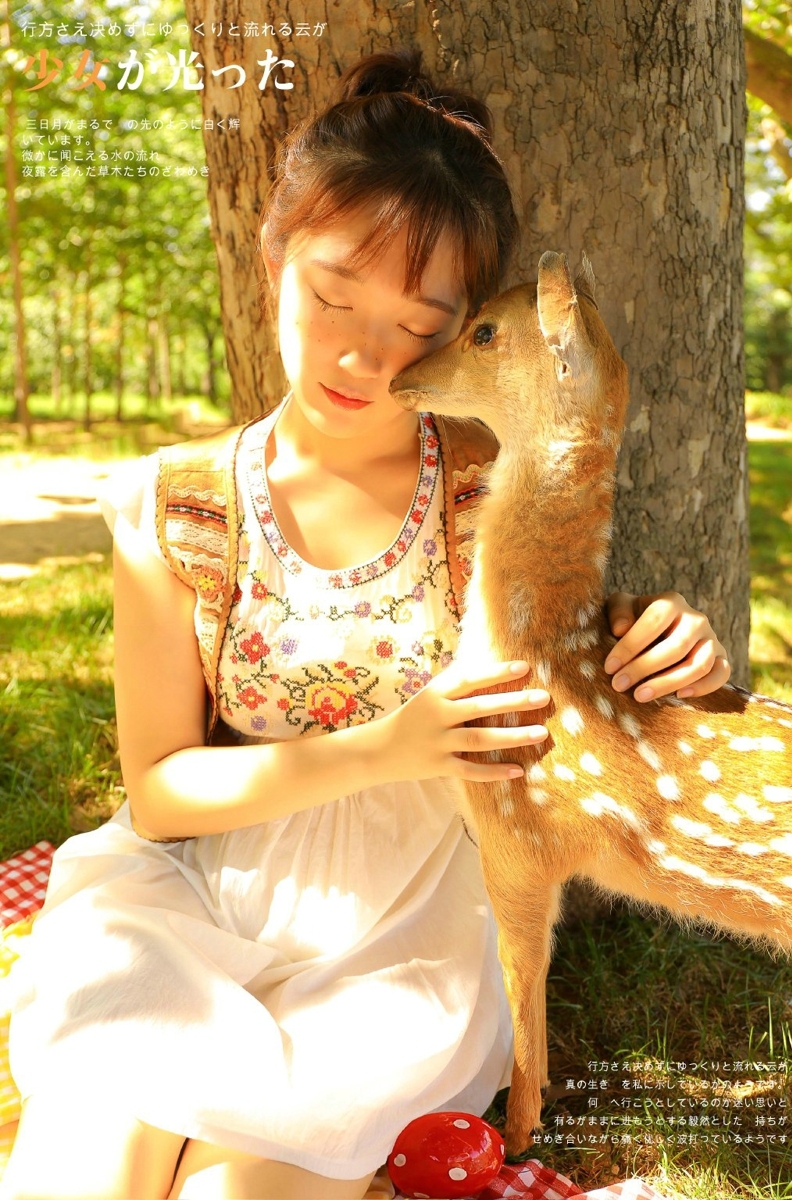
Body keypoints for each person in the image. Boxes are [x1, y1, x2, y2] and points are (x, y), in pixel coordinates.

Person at [2, 47, 731, 1200]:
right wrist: (382, 747)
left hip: (402, 940)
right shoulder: (175, 504)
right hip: (189, 898)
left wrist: (669, 658)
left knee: (245, 1184)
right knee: (87, 1158)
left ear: (463, 328)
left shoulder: (492, 489)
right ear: (273, 256)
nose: (359, 353)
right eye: (332, 294)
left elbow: (581, 671)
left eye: (416, 320)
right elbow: (158, 789)